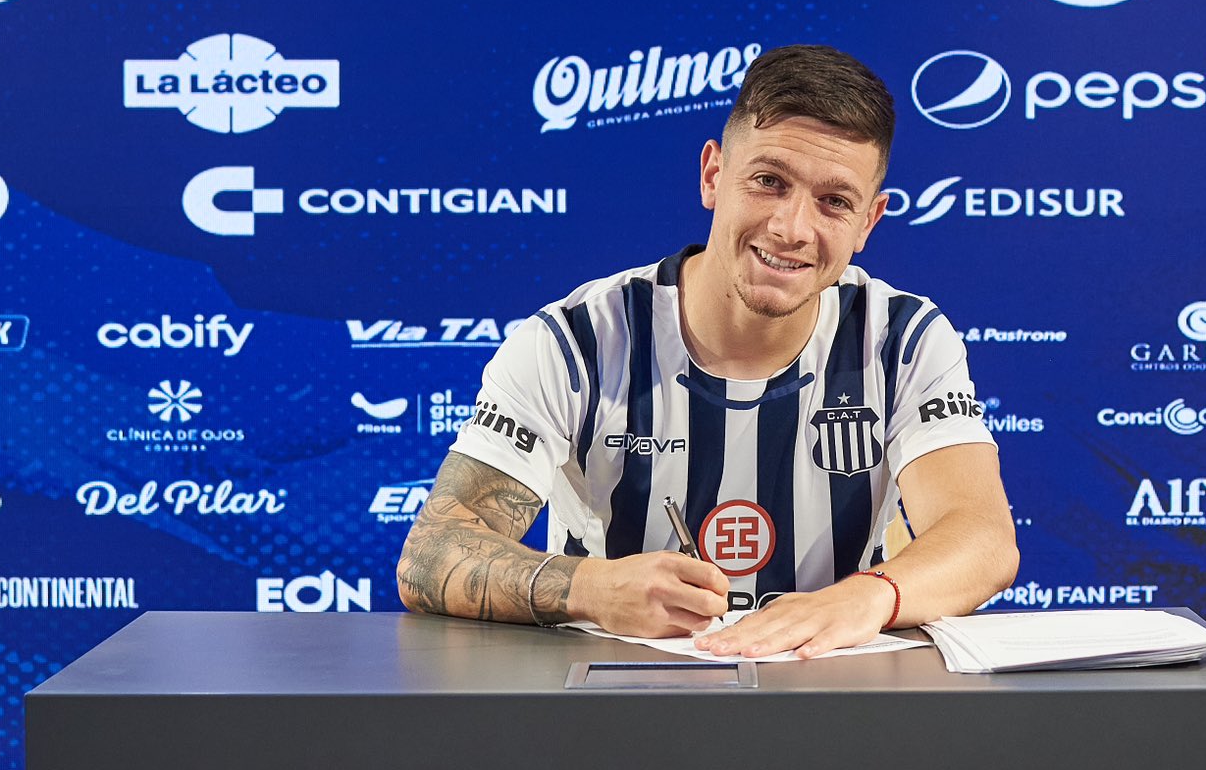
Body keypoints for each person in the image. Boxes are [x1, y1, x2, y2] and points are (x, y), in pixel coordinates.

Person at [397, 43, 1018, 658]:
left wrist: (864, 597)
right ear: (713, 175)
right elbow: (431, 553)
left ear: (868, 222)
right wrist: (592, 588)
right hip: (616, 699)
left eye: (835, 202)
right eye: (769, 182)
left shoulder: (901, 338)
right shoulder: (578, 340)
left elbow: (983, 538)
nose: (792, 228)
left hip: (833, 696)